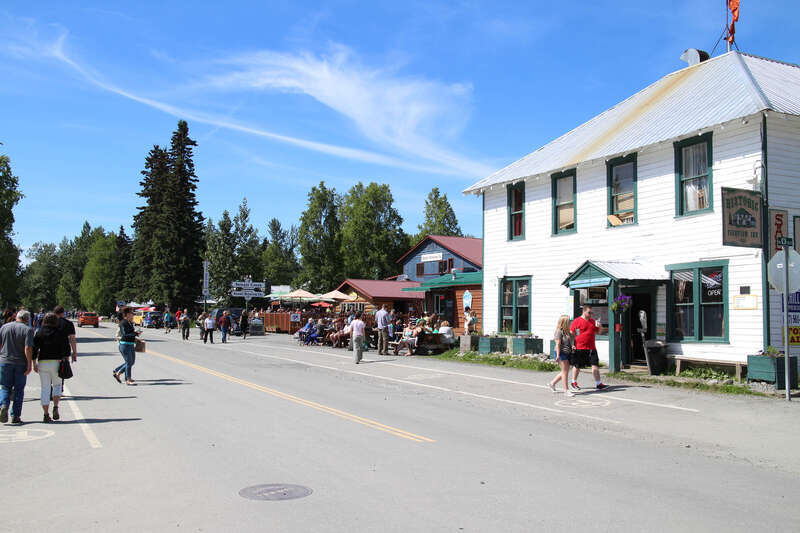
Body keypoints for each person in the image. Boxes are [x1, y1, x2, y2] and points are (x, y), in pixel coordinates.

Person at [33, 313, 72, 422]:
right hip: (57, 362)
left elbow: (34, 349)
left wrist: (34, 363)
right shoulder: (60, 333)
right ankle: (55, 406)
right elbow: (67, 350)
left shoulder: (39, 332)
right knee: (57, 386)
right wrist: (66, 360)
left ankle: (46, 414)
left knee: (45, 388)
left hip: (43, 362)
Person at [0, 310, 33, 424]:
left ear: (17, 317)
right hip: (20, 363)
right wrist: (29, 364)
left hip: (5, 361)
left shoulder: (4, 327)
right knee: (19, 389)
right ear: (27, 319)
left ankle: (4, 405)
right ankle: (15, 415)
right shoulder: (27, 330)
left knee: (5, 387)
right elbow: (28, 348)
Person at [570, 305, 607, 390]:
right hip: (580, 347)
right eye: (589, 312)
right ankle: (573, 382)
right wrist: (572, 344)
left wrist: (600, 326)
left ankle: (599, 383)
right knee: (577, 365)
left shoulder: (592, 321)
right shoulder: (577, 321)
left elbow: (598, 332)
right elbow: (572, 333)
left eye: (591, 313)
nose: (590, 314)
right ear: (584, 311)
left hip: (591, 347)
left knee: (595, 365)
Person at [549, 315, 575, 397]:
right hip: (560, 353)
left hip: (567, 353)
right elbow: (558, 344)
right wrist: (557, 356)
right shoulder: (558, 332)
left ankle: (552, 383)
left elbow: (569, 342)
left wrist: (572, 346)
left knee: (565, 371)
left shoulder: (567, 332)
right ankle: (566, 390)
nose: (570, 322)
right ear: (564, 322)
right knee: (565, 372)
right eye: (569, 321)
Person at [114, 307, 141, 385]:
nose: (133, 315)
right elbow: (125, 334)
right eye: (132, 313)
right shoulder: (123, 323)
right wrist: (135, 333)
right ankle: (127, 379)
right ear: (127, 314)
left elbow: (131, 333)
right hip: (124, 345)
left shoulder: (130, 322)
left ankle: (118, 372)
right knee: (129, 362)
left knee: (131, 362)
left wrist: (136, 335)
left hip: (130, 344)